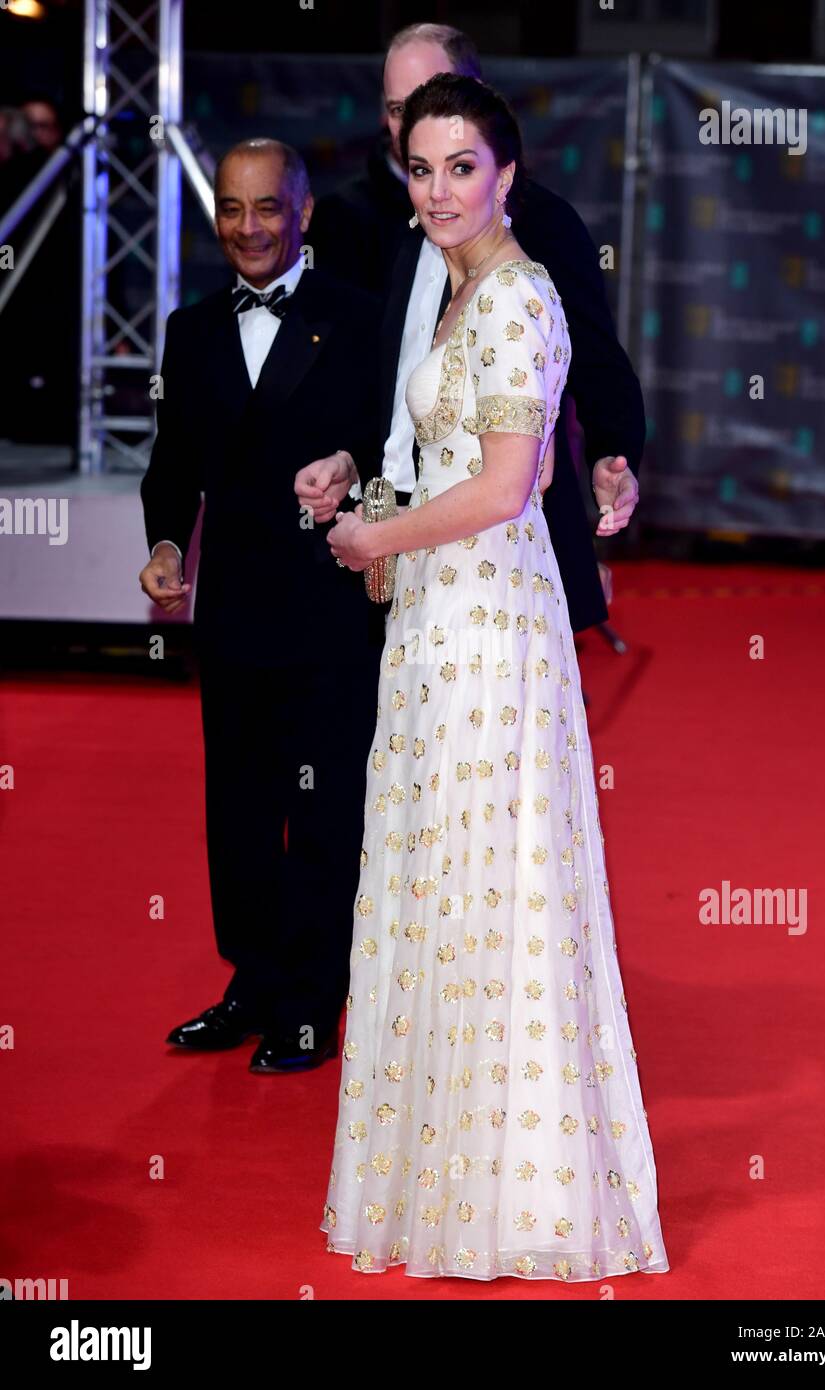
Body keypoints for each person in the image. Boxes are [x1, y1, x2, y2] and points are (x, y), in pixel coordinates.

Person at [317, 74, 668, 1283]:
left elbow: (508, 489)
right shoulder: (461, 292)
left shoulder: (517, 296)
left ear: (507, 174)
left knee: (494, 884)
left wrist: (375, 540)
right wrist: (363, 496)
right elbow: (444, 471)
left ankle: (518, 1188)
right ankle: (452, 1171)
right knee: (443, 884)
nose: (439, 190)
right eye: (420, 169)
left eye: (462, 166)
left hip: (488, 641)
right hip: (436, 627)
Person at [139, 139, 385, 1073]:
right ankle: (251, 984)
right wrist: (166, 542)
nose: (249, 228)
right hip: (234, 611)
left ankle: (313, 1005)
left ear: (305, 212)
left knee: (321, 812)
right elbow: (174, 466)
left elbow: (391, 442)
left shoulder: (359, 321)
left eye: (268, 208)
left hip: (328, 611)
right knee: (238, 810)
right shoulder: (190, 329)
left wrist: (355, 468)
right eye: (233, 211)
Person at [308, 22, 642, 636]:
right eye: (397, 109)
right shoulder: (388, 229)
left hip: (490, 563)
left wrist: (612, 454)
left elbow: (596, 362)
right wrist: (351, 461)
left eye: (433, 97)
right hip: (385, 547)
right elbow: (382, 382)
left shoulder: (540, 232)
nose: (416, 121)